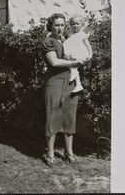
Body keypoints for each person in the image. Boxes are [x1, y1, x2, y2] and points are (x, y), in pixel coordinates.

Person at [42, 13, 85, 167]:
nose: (60, 28)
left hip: (70, 83)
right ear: (51, 26)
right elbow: (53, 62)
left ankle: (69, 152)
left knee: (69, 116)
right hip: (54, 83)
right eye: (57, 25)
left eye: (62, 25)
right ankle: (50, 153)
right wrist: (74, 61)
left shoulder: (66, 41)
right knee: (53, 117)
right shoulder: (49, 42)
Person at [63, 14, 93, 93]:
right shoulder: (70, 33)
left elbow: (88, 45)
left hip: (80, 53)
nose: (75, 26)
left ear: (82, 25)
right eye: (73, 24)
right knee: (70, 64)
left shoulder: (82, 34)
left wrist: (90, 54)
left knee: (73, 66)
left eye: (77, 24)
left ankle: (74, 75)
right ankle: (78, 84)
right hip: (72, 53)